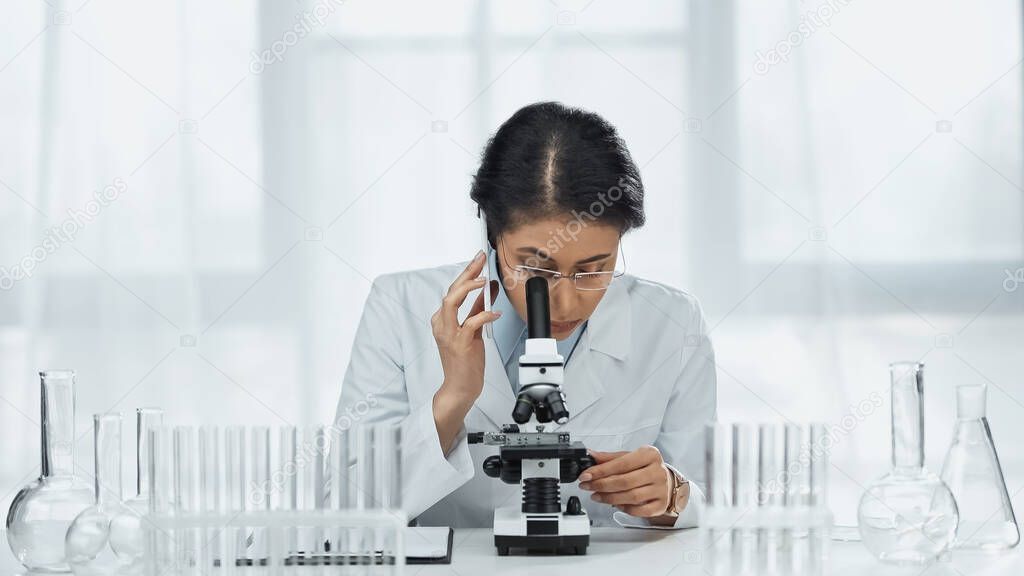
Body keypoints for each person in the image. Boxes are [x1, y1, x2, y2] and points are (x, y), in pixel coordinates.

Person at [336, 101, 716, 529]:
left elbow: (703, 503)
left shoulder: (673, 322)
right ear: (493, 233)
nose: (567, 303)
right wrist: (454, 398)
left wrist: (671, 494)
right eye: (537, 269)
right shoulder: (399, 305)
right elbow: (348, 509)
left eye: (593, 269)